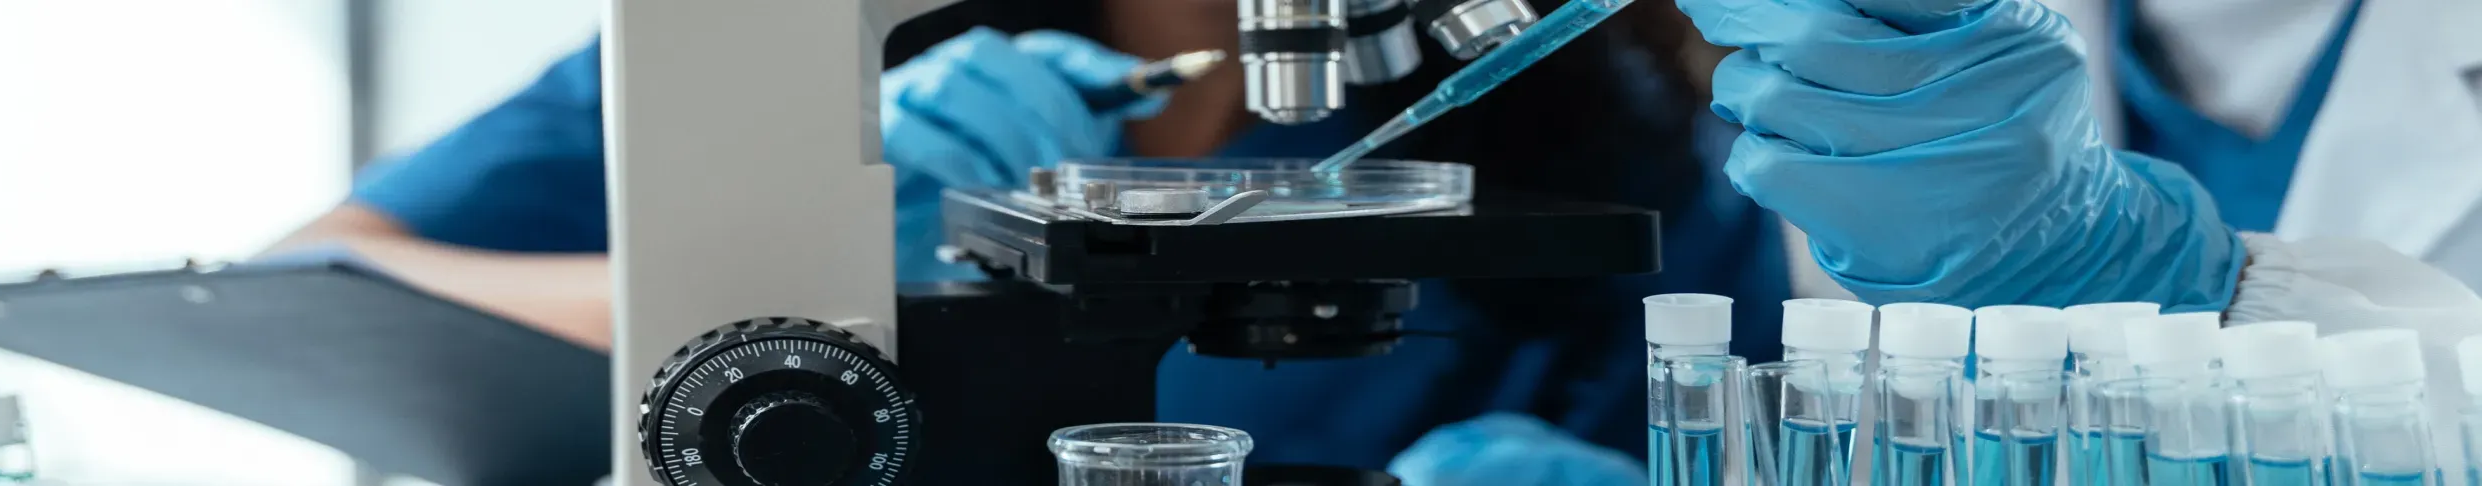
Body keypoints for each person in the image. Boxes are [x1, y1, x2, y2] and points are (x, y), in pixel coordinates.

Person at [265, 0, 2482, 482]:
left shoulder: (1667, 115)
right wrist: (811, 257)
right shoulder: (812, 52)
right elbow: (307, 294)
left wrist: (2148, 280)